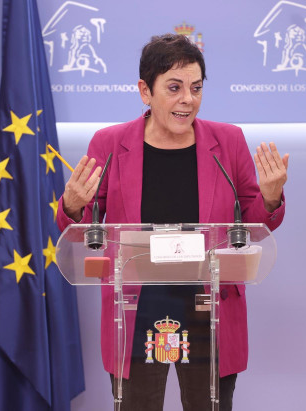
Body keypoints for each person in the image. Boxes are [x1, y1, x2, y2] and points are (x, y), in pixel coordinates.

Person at [56, 34, 288, 410]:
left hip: (208, 305)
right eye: (175, 88)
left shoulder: (227, 142)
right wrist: (73, 205)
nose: (188, 100)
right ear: (145, 91)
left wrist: (271, 196)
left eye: (196, 89)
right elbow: (84, 225)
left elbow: (251, 222)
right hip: (136, 309)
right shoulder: (110, 144)